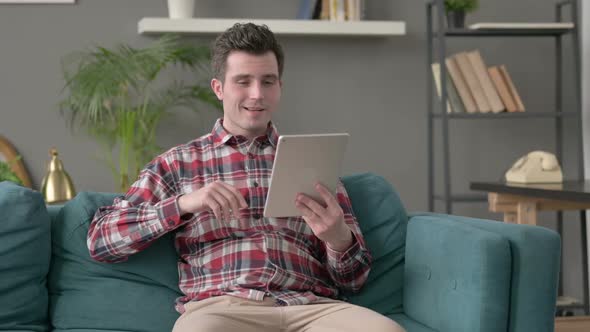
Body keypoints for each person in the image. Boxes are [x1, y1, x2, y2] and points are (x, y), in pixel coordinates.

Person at [87, 23, 405, 332]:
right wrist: (184, 204)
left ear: (280, 87)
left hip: (310, 308)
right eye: (243, 81)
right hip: (223, 309)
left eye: (268, 81)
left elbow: (354, 280)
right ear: (218, 88)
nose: (257, 94)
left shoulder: (314, 159)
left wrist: (338, 238)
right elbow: (101, 240)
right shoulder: (178, 164)